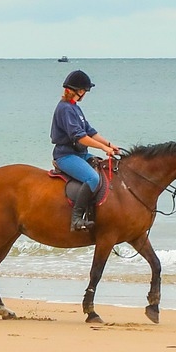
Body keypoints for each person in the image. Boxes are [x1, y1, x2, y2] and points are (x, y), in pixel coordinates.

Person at [51, 69, 120, 231]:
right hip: (66, 155)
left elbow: (89, 131)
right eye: (85, 91)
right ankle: (76, 219)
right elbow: (79, 137)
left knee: (104, 168)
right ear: (80, 91)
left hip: (80, 154)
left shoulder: (75, 108)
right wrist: (103, 148)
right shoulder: (65, 109)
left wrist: (109, 145)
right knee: (92, 179)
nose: (85, 94)